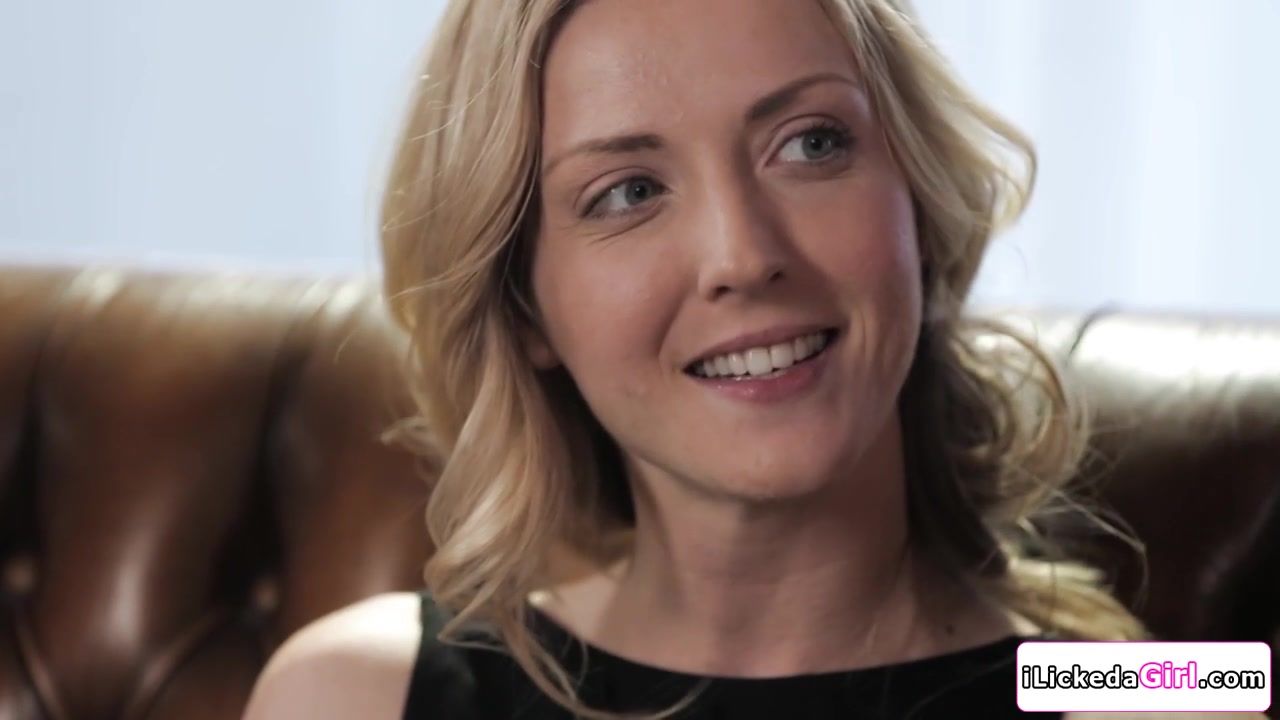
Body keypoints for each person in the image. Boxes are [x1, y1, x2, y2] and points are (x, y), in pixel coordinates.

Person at [241, 1, 1265, 718]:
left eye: (811, 143)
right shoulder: (351, 692)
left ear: (917, 202)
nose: (741, 256)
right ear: (525, 310)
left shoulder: (1166, 698)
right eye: (627, 193)